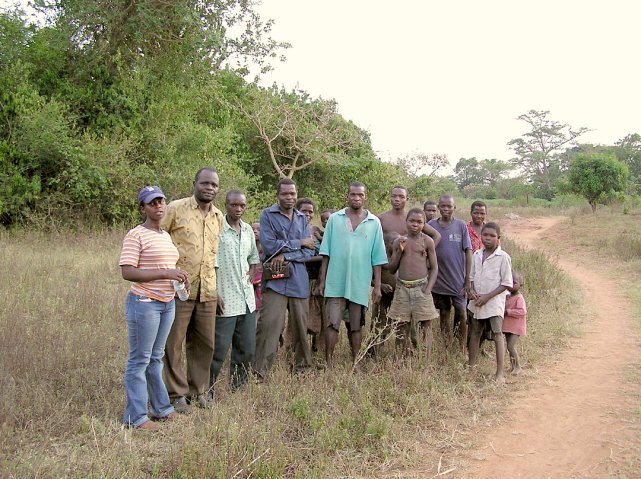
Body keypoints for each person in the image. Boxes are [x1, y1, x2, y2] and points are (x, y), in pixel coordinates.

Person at [119, 186, 189, 430]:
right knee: (140, 360)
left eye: (161, 201)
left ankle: (161, 409)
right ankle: (136, 417)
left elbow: (166, 266)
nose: (159, 206)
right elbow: (128, 271)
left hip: (167, 302)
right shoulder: (136, 235)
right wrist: (165, 272)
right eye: (152, 203)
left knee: (156, 358)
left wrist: (178, 277)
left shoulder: (164, 236)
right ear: (143, 208)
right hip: (145, 304)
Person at [161, 168, 224, 413]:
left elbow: (212, 256)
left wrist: (216, 288)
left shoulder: (218, 216)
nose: (209, 188)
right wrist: (167, 271)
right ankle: (176, 394)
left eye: (214, 185)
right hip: (180, 290)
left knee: (205, 343)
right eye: (205, 183)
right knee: (174, 342)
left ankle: (199, 391)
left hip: (207, 290)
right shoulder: (176, 209)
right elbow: (157, 236)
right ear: (195, 183)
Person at [319, 182, 388, 369]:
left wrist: (377, 286)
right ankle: (329, 363)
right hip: (335, 281)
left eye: (360, 195)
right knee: (332, 323)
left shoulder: (374, 222)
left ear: (365, 196)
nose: (356, 198)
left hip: (360, 282)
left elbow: (378, 258)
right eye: (353, 194)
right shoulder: (335, 218)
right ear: (347, 196)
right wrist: (322, 280)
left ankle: (355, 362)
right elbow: (325, 252)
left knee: (356, 325)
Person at [253, 178, 316, 380]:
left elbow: (310, 251)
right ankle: (259, 371)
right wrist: (299, 242)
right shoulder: (267, 215)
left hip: (298, 280)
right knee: (268, 326)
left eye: (292, 193)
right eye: (285, 194)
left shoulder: (302, 219)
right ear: (277, 195)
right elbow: (270, 246)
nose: (289, 197)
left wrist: (286, 255)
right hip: (275, 281)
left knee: (300, 326)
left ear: (297, 194)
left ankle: (302, 368)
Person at [209, 190, 260, 396]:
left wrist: (253, 271)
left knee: (246, 348)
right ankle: (207, 389)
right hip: (225, 299)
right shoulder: (217, 228)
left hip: (247, 300)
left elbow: (254, 258)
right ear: (226, 205)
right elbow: (209, 263)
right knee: (218, 350)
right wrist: (214, 292)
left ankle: (238, 386)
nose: (238, 209)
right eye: (234, 205)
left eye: (242, 206)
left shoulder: (248, 230)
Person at [378, 186, 440, 349]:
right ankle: (382, 352)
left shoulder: (426, 240)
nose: (397, 199)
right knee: (393, 319)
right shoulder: (382, 219)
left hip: (420, 283)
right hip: (394, 277)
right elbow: (388, 263)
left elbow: (434, 263)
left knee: (423, 324)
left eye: (401, 196)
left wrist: (424, 257)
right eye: (394, 196)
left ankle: (421, 358)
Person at [387, 208, 439, 361]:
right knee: (401, 326)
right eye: (412, 221)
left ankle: (425, 361)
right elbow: (391, 269)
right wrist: (399, 252)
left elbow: (434, 267)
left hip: (421, 287)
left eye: (419, 222)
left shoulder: (427, 241)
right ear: (406, 222)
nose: (415, 225)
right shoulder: (399, 241)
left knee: (425, 325)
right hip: (402, 288)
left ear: (424, 224)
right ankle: (401, 360)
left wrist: (428, 289)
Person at [468, 222, 513, 383]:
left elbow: (507, 283)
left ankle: (499, 372)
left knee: (497, 334)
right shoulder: (477, 255)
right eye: (485, 235)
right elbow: (471, 278)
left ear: (498, 238)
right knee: (474, 333)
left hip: (493, 303)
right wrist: (472, 291)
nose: (487, 238)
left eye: (492, 236)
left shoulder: (503, 257)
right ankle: (471, 367)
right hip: (477, 302)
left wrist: (487, 296)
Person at [428, 195, 472, 350]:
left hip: (457, 280)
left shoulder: (460, 225)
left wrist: (468, 279)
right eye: (443, 206)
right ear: (439, 207)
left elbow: (468, 252)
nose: (446, 209)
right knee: (444, 312)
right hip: (439, 279)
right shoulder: (431, 225)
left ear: (455, 207)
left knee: (461, 312)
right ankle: (447, 346)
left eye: (449, 206)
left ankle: (461, 347)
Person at [295, 198, 325, 352]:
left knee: (320, 315)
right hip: (299, 280)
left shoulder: (317, 231)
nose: (307, 214)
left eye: (310, 211)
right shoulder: (292, 230)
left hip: (318, 279)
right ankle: (295, 349)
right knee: (299, 316)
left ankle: (318, 349)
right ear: (296, 211)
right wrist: (322, 256)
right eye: (303, 211)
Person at [368, 230, 400, 358]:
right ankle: (373, 352)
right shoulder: (379, 258)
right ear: (386, 244)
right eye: (394, 242)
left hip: (399, 296)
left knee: (402, 324)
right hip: (382, 296)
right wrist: (380, 285)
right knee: (379, 323)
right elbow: (368, 277)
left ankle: (403, 353)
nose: (397, 244)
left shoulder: (401, 255)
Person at [503, 271, 527, 375]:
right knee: (509, 346)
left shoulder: (519, 297)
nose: (511, 285)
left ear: (521, 285)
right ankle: (512, 366)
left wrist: (508, 311)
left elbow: (522, 311)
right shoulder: (507, 296)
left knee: (510, 346)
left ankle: (518, 367)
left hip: (516, 326)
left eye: (514, 283)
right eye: (509, 282)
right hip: (508, 326)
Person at [251, 222, 263, 317]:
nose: (255, 231)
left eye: (258, 229)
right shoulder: (248, 245)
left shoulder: (265, 245)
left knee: (260, 299)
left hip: (261, 276)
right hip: (250, 276)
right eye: (253, 229)